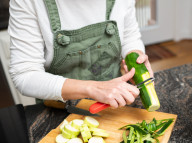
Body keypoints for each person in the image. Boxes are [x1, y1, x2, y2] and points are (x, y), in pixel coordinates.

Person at [8, 0, 154, 108]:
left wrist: (135, 57)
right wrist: (94, 88)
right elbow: (25, 74)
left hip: (115, 103)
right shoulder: (28, 2)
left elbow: (129, 36)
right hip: (59, 108)